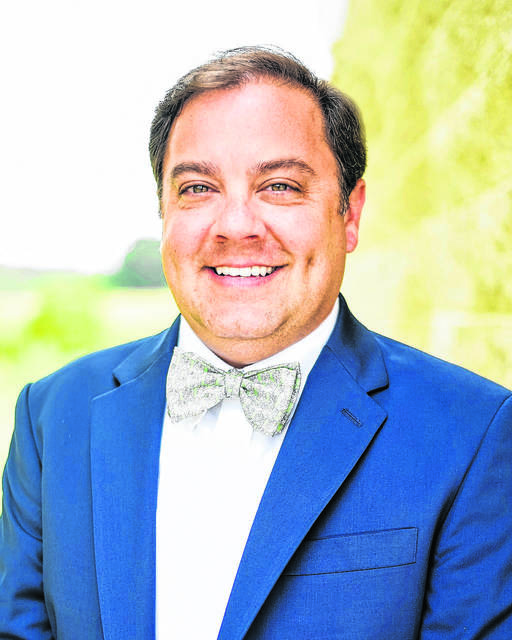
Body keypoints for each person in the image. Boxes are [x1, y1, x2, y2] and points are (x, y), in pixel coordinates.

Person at [1, 46, 511, 640]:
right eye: (198, 188)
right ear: (163, 210)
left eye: (281, 186)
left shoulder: (474, 434)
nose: (236, 226)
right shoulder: (51, 414)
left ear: (349, 215)